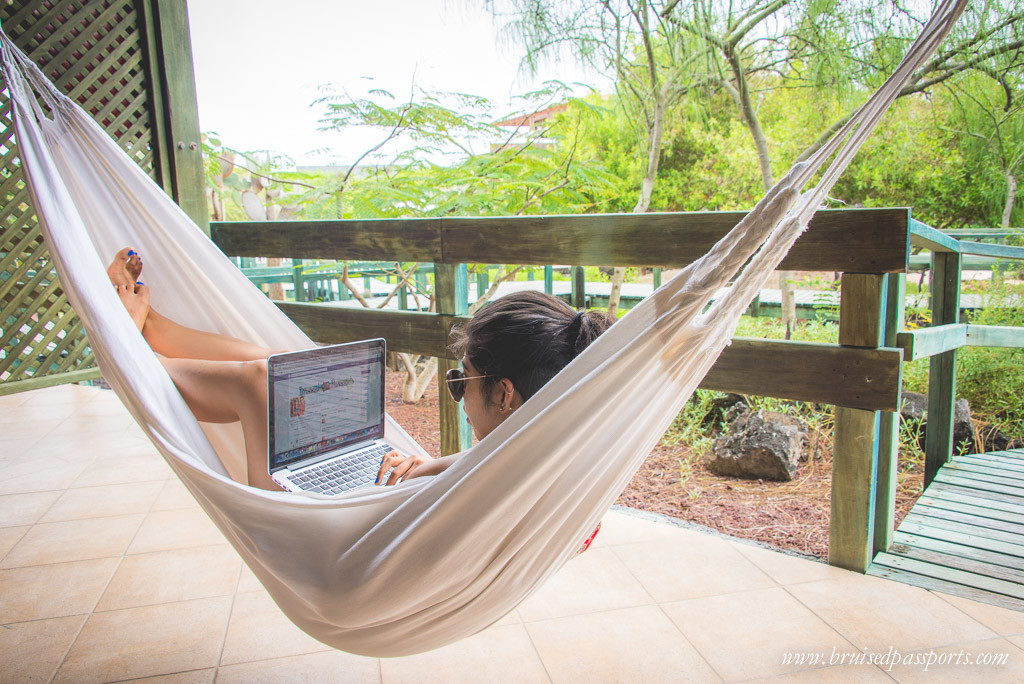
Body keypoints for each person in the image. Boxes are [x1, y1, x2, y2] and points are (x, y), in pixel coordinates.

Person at [107, 248, 614, 497]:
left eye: (461, 382)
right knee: (286, 368)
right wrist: (435, 465)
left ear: (505, 394)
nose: (458, 393)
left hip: (306, 536)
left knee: (258, 383)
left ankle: (128, 343)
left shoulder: (507, 471)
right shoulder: (554, 444)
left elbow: (481, 474)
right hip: (356, 505)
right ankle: (155, 327)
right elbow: (486, 464)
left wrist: (437, 469)